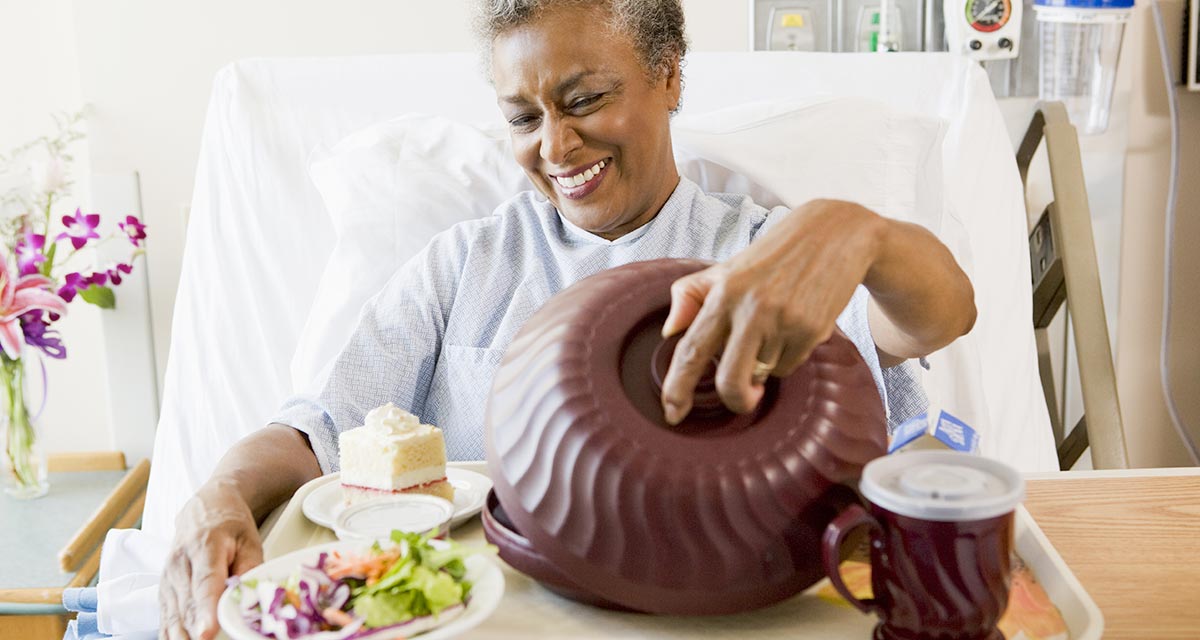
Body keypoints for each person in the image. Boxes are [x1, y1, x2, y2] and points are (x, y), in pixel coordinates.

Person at [158, 1, 976, 637]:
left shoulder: (763, 255)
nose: (555, 144)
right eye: (522, 117)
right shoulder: (464, 265)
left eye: (585, 98)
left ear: (670, 77)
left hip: (726, 620)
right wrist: (218, 495)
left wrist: (856, 232)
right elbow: (316, 434)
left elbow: (936, 317)